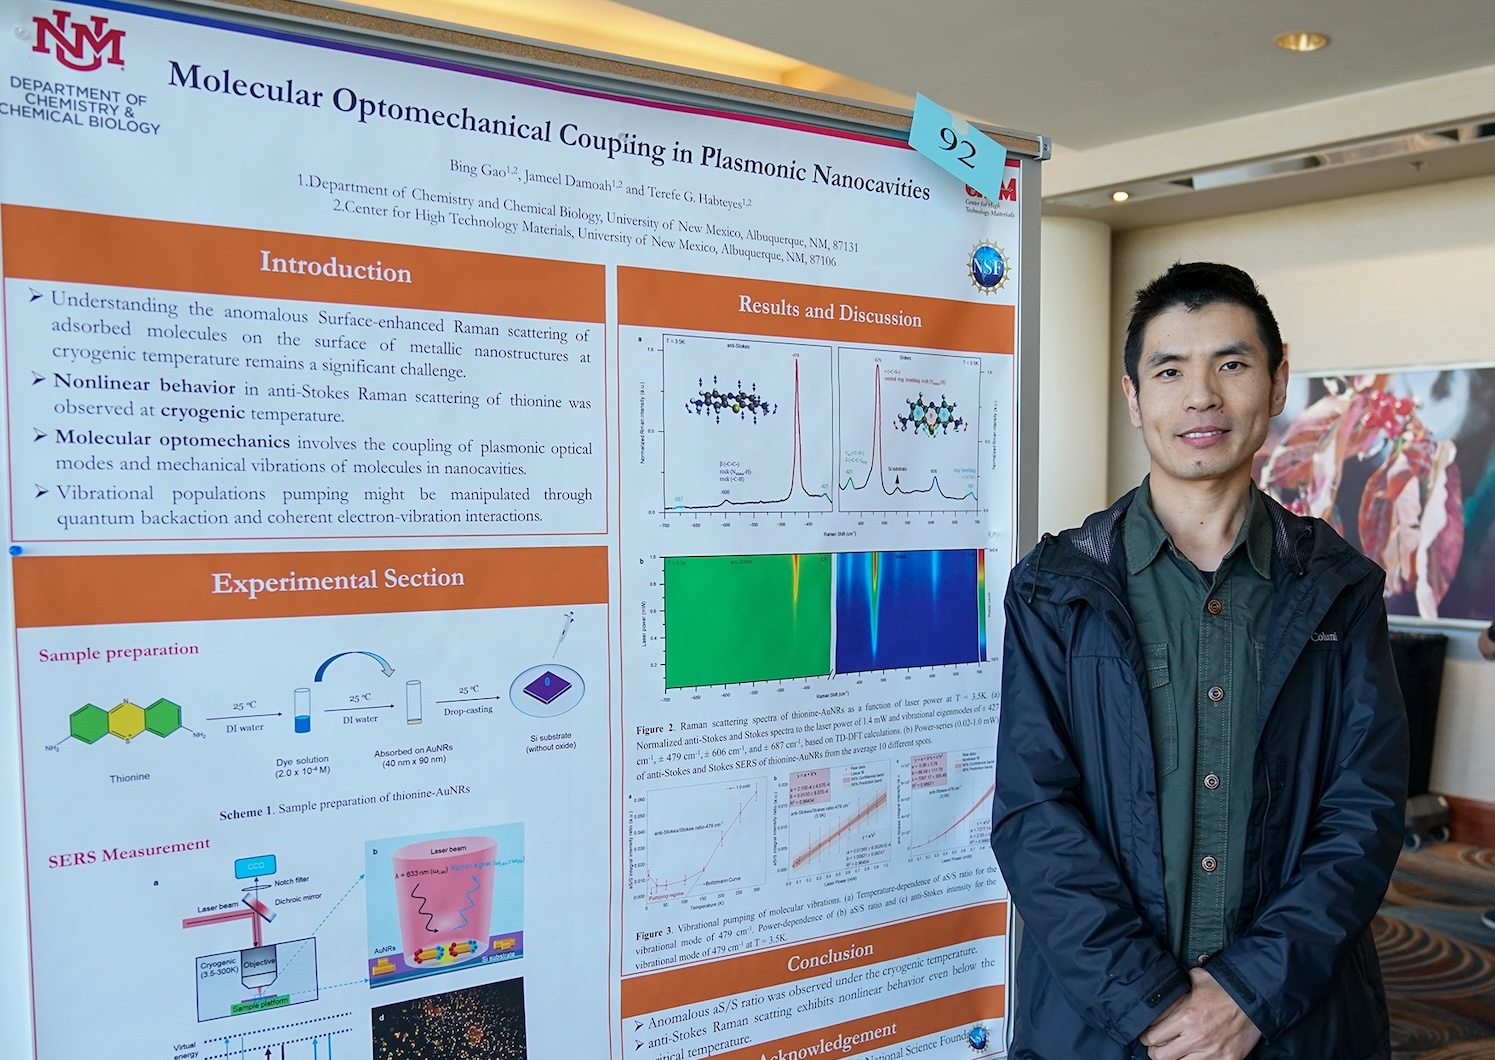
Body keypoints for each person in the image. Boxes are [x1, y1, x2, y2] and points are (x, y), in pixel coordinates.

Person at [991, 262, 1408, 1059]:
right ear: (1132, 396)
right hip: (1100, 1028)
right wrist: (1149, 1005)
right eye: (1169, 370)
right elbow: (1032, 814)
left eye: (1231, 364)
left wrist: (1247, 994)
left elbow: (1363, 816)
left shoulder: (1337, 588)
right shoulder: (1054, 589)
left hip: (1294, 1022)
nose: (1201, 397)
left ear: (1278, 379)